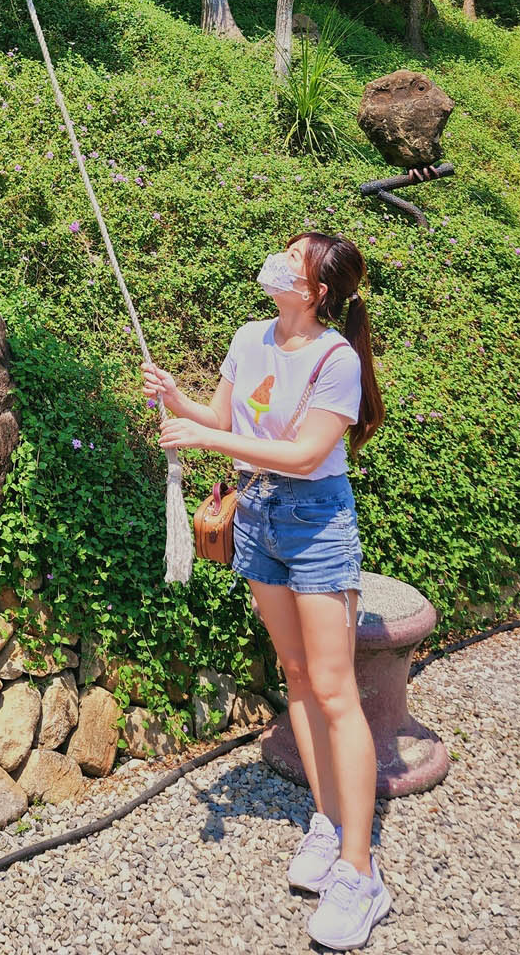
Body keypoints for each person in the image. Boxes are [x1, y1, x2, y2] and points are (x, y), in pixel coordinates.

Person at [142, 231, 391, 952]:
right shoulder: (251, 336)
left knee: (336, 688)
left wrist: (212, 444)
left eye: (295, 262)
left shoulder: (335, 359)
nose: (279, 264)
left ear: (316, 292)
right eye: (284, 252)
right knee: (296, 674)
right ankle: (326, 818)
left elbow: (308, 453)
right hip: (254, 515)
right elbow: (223, 419)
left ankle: (360, 873)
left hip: (314, 521)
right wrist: (178, 402)